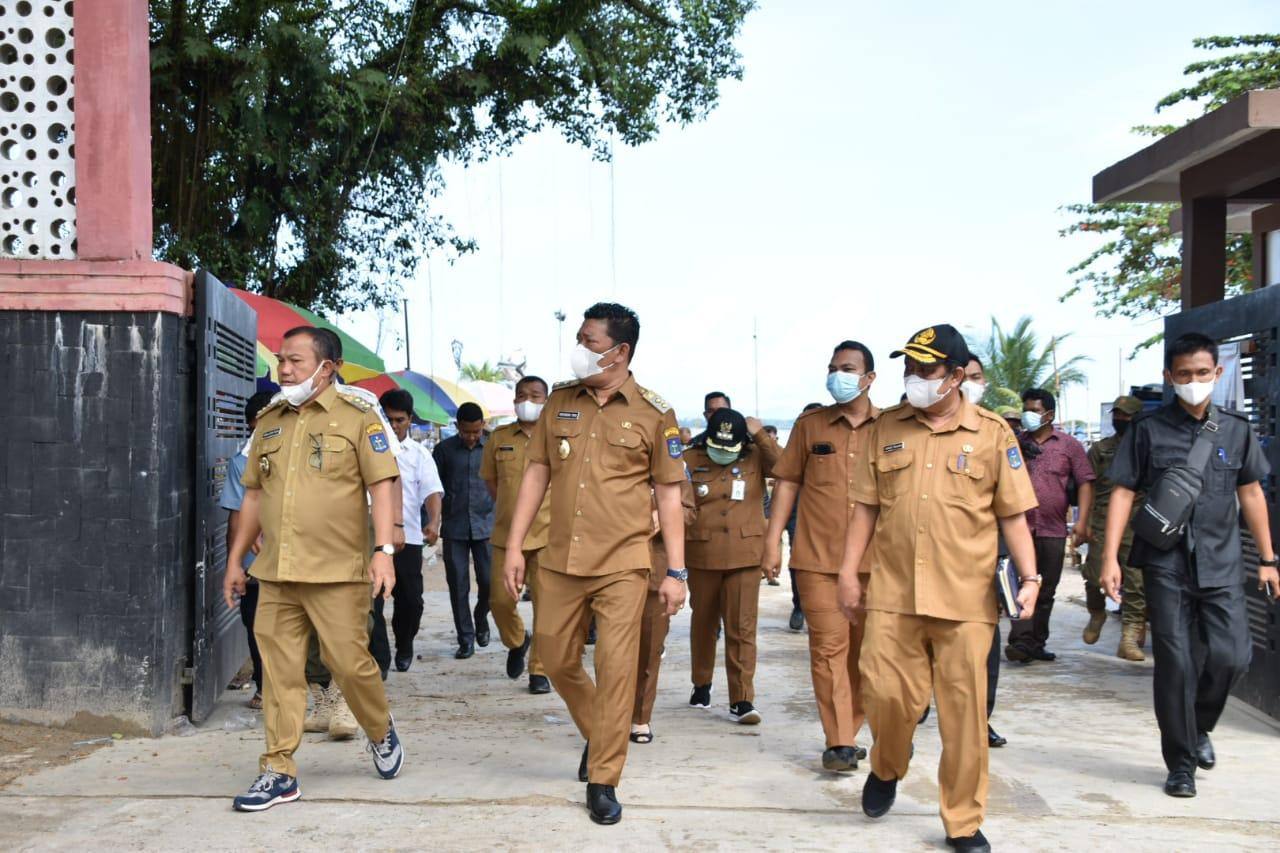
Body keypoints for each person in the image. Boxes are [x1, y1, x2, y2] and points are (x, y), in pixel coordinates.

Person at [838, 324, 1040, 853]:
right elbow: (865, 507)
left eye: (926, 370)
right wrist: (846, 571)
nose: (915, 379)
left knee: (964, 716)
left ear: (955, 375)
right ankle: (886, 766)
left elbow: (1014, 516)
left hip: (967, 599)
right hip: (893, 593)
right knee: (884, 697)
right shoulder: (887, 428)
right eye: (909, 369)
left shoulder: (994, 433)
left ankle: (963, 821)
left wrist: (1032, 579)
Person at [501, 302, 688, 825]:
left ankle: (604, 777)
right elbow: (536, 473)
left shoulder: (654, 413)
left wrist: (676, 572)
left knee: (616, 668)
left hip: (624, 563)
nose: (579, 349)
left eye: (589, 341)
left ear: (619, 351)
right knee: (558, 660)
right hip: (560, 558)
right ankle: (600, 732)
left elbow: (669, 496)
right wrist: (516, 546)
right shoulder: (560, 400)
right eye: (579, 339)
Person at [222, 326, 406, 812]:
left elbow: (383, 483)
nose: (283, 369)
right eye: (282, 360)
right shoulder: (270, 421)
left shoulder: (359, 416)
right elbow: (253, 495)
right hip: (277, 573)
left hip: (338, 572)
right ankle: (278, 769)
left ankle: (380, 729)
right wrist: (236, 560)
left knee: (350, 664)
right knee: (280, 674)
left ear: (327, 368)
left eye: (295, 362)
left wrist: (384, 548)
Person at [1101, 332, 1277, 799]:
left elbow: (1252, 493)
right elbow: (1121, 490)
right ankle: (1180, 764)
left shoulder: (1237, 430)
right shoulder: (1148, 431)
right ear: (1168, 377)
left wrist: (1269, 558)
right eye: (1184, 375)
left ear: (1217, 374)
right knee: (1175, 665)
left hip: (1221, 563)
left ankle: (1199, 726)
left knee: (1232, 655)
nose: (1193, 382)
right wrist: (1109, 558)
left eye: (1202, 373)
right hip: (1166, 565)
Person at [762, 343, 879, 772]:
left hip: (876, 564)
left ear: (869, 378)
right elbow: (787, 483)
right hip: (817, 559)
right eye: (832, 369)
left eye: (847, 369)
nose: (837, 376)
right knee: (828, 649)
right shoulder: (810, 425)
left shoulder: (891, 428)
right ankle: (840, 742)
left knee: (868, 656)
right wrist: (772, 539)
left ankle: (850, 725)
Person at [685, 408, 781, 724]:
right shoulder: (691, 458)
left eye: (731, 447)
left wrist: (759, 434)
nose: (723, 453)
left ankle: (742, 699)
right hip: (702, 553)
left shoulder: (755, 455)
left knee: (742, 626)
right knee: (704, 623)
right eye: (718, 446)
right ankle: (701, 682)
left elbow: (784, 468)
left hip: (745, 555)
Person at [1004, 388, 1095, 663]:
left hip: (1053, 529)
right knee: (1019, 585)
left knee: (1047, 591)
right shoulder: (1014, 442)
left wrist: (1082, 522)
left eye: (1034, 410)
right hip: (1020, 528)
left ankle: (1035, 642)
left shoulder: (1069, 446)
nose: (1028, 414)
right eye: (1026, 409)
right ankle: (1020, 641)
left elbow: (1086, 482)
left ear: (1049, 414)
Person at [481, 376, 554, 693]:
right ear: (514, 400)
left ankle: (539, 671)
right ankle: (516, 639)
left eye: (536, 395)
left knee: (547, 606)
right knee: (499, 600)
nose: (528, 400)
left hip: (550, 536)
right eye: (522, 395)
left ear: (547, 400)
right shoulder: (498, 437)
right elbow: (491, 482)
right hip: (507, 536)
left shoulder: (558, 437)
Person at [959, 357, 1008, 748]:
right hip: (921, 561)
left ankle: (980, 718)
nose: (969, 385)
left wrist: (1024, 574)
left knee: (985, 647)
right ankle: (914, 705)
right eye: (964, 377)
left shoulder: (997, 432)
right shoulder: (905, 428)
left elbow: (1013, 508)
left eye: (976, 378)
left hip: (981, 561)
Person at [377, 390, 443, 672]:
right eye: (388, 419)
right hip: (375, 538)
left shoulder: (419, 455)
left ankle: (405, 642)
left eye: (399, 420)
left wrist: (434, 521)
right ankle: (379, 658)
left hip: (409, 539)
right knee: (372, 603)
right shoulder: (369, 449)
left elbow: (431, 492)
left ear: (410, 420)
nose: (393, 425)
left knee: (411, 602)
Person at [220, 391, 277, 710]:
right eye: (258, 428)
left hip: (299, 556)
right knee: (256, 623)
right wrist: (236, 563)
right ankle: (266, 685)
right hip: (259, 563)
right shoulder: (241, 461)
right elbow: (236, 515)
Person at [631, 477, 697, 744]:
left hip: (657, 573)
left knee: (649, 649)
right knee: (612, 650)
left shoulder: (673, 470)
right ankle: (610, 715)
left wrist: (665, 514)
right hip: (614, 568)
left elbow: (691, 512)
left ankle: (640, 717)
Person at [1081, 395, 1146, 660]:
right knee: (1094, 576)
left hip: (1135, 523)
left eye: (1126, 415)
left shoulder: (1146, 448)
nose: (1120, 419)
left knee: (1136, 582)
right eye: (1117, 414)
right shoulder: (1100, 449)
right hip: (1102, 521)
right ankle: (1096, 613)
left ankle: (1129, 638)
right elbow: (1088, 485)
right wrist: (1083, 523)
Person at [433, 402, 496, 659]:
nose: (471, 437)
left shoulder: (493, 447)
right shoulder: (443, 450)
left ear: (482, 426)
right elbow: (433, 487)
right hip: (454, 527)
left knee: (490, 584)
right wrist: (433, 520)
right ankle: (466, 639)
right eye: (466, 432)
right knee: (458, 586)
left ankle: (481, 618)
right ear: (457, 427)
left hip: (487, 526)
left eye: (476, 432)